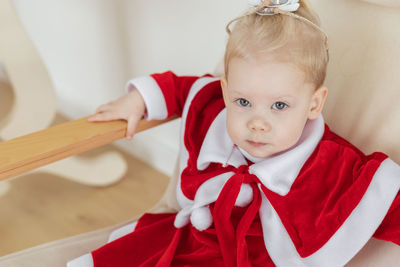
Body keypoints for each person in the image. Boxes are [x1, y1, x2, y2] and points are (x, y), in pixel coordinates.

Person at [68, 0, 400, 266]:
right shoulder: (214, 108)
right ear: (226, 92)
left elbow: (387, 203)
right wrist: (139, 98)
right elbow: (185, 90)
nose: (257, 122)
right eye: (242, 101)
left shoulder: (331, 165)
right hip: (192, 243)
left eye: (280, 106)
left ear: (314, 104)